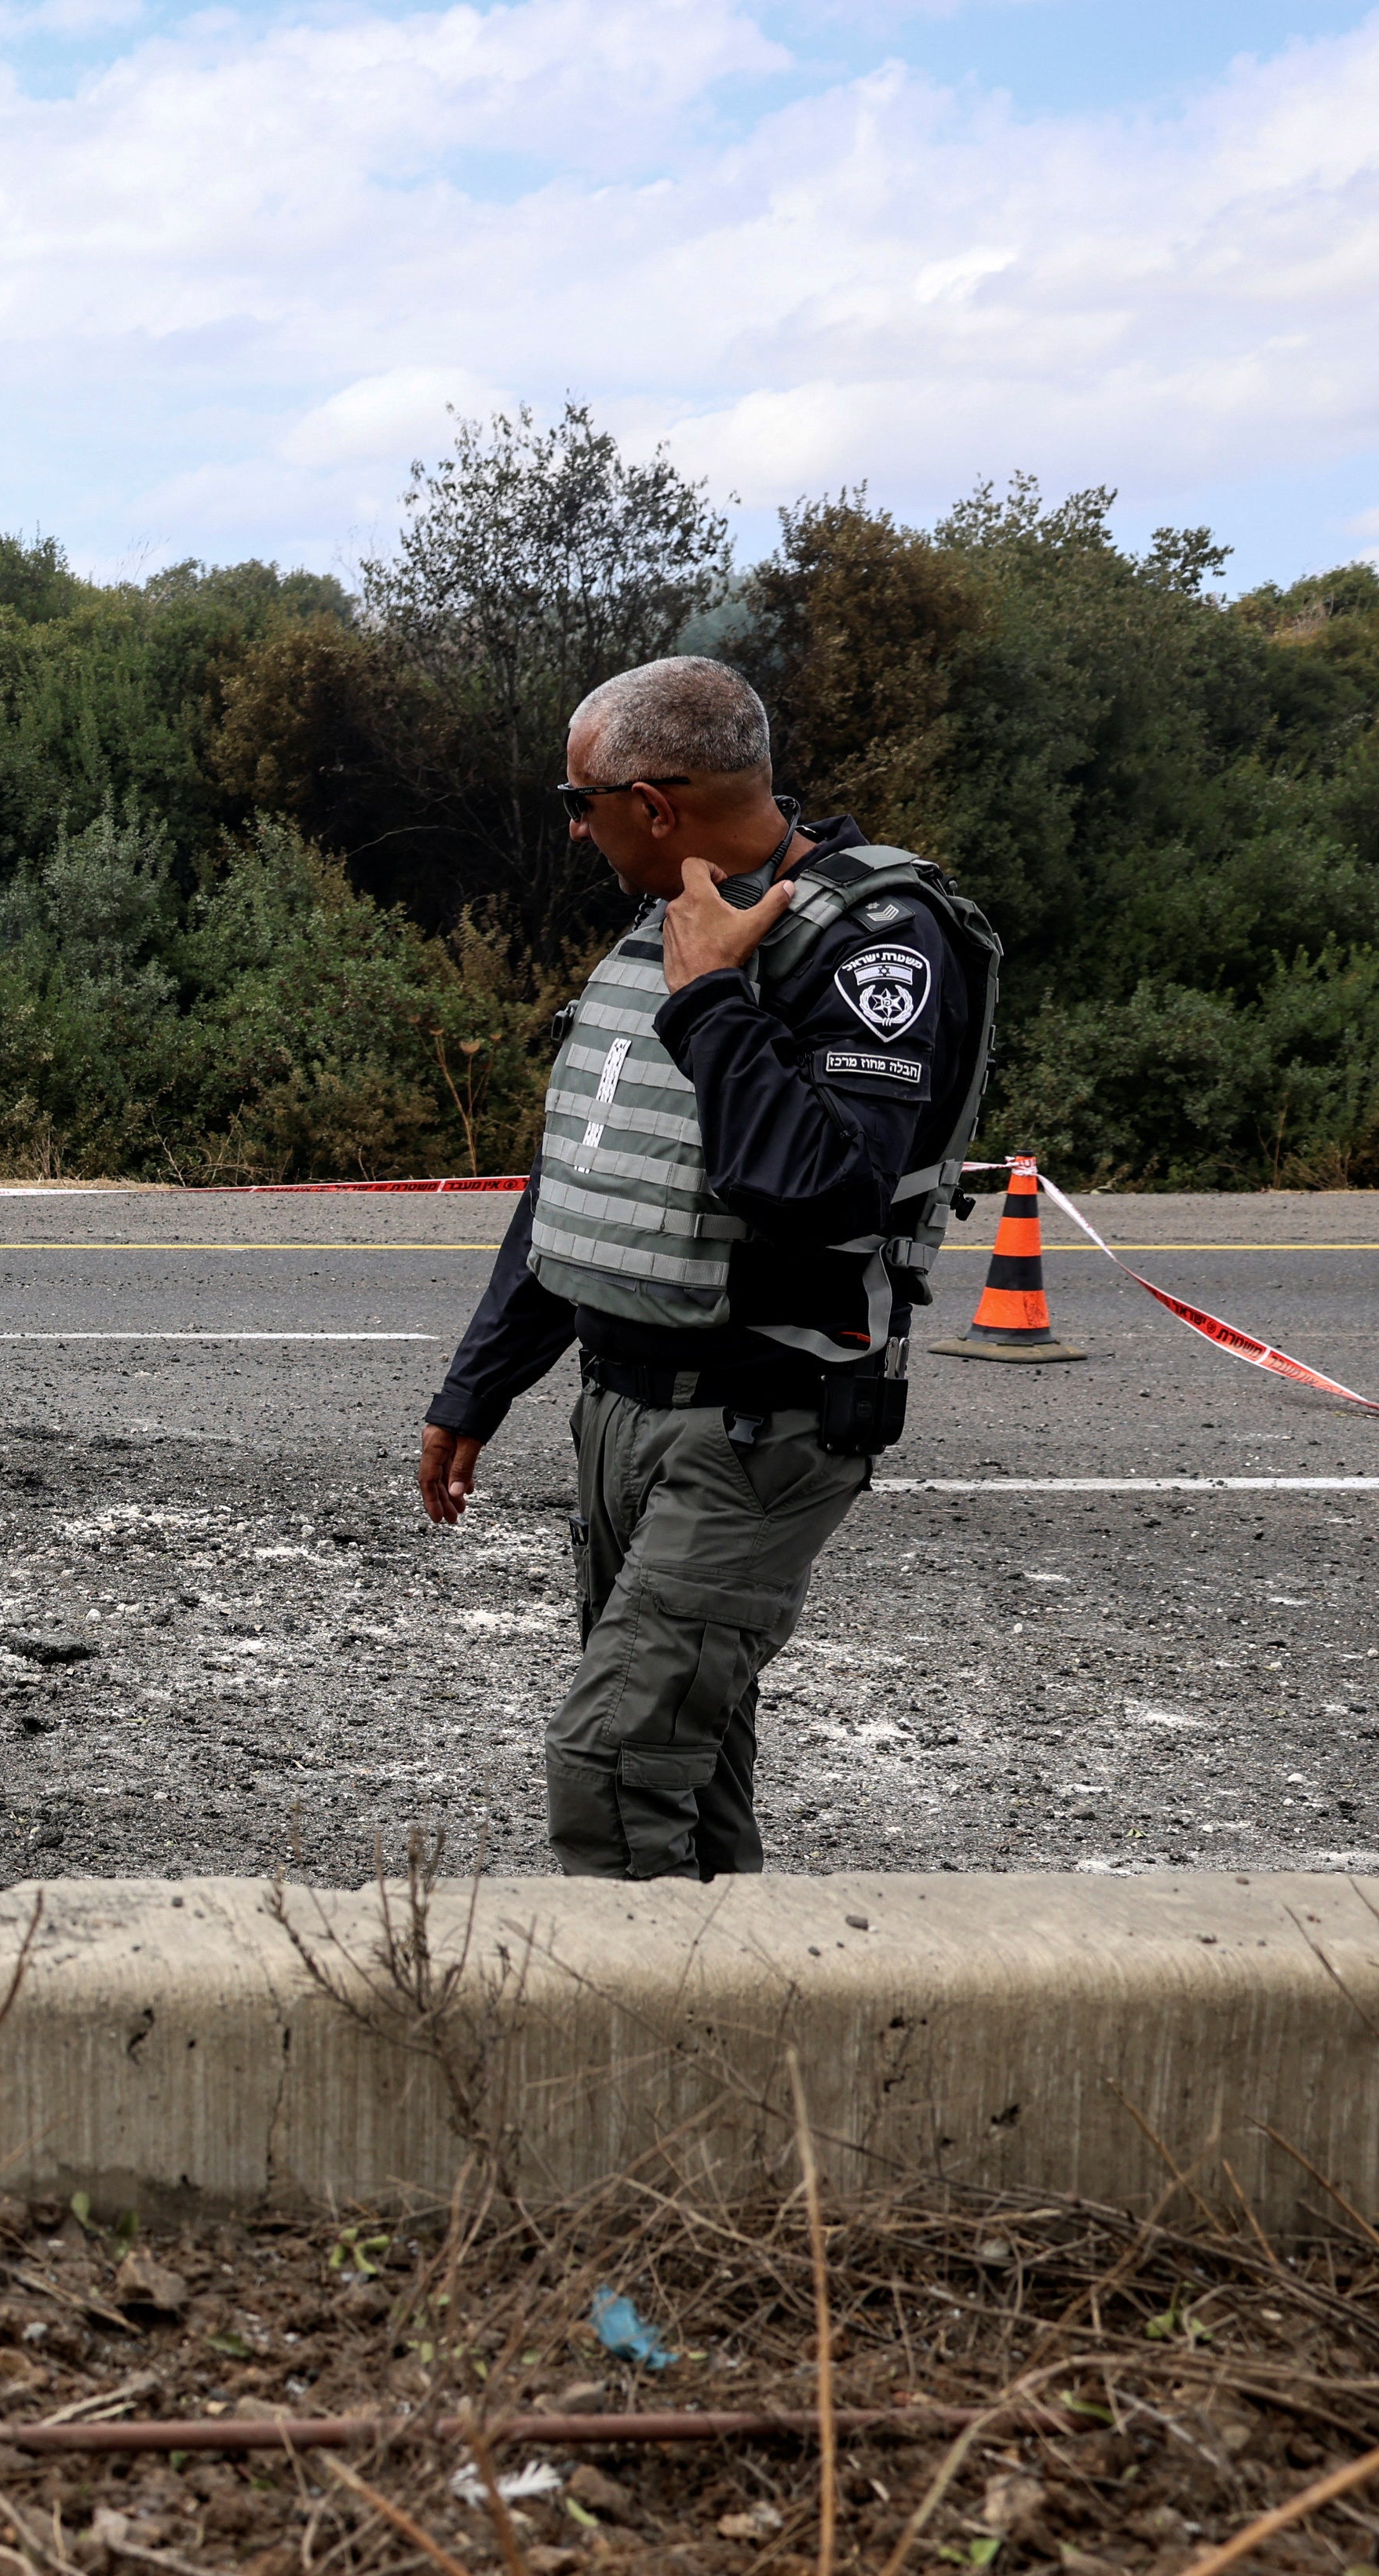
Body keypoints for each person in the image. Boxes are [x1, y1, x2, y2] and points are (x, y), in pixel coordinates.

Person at [414, 659, 999, 1879]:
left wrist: (715, 1000)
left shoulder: (878, 942)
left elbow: (823, 1191)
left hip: (761, 1423)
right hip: (625, 1413)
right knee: (693, 1759)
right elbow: (585, 1173)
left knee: (613, 1762)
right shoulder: (674, 924)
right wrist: (480, 1387)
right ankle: (740, 2046)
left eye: (580, 802)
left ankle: (640, 2059)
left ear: (655, 802)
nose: (573, 829)